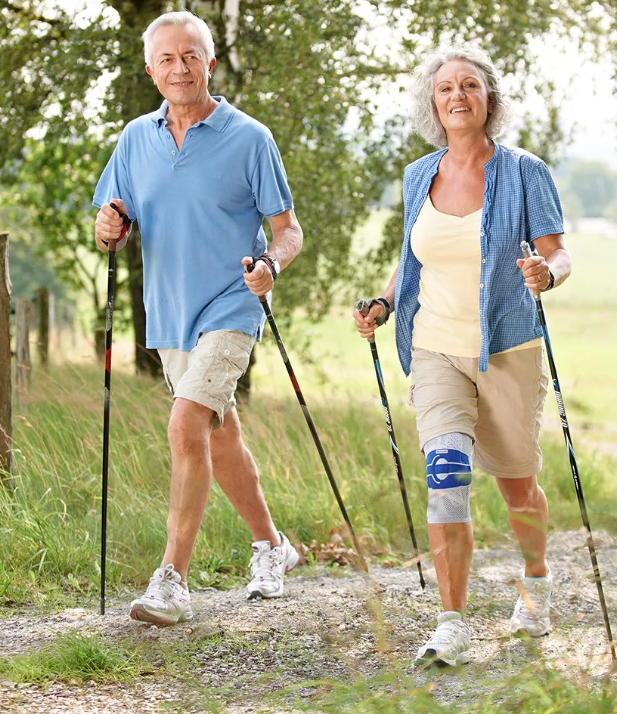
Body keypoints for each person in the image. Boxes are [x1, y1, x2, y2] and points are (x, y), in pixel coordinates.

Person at [353, 44, 570, 666]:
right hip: (434, 346)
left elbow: (558, 252)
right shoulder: (418, 176)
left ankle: (535, 581)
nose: (458, 96)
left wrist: (547, 274)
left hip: (506, 346)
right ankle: (452, 621)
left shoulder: (524, 171)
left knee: (517, 485)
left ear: (488, 98)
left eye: (470, 85)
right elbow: (412, 258)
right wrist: (384, 302)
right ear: (433, 103)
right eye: (446, 87)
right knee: (445, 475)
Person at [93, 10, 303, 625]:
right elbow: (112, 225)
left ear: (210, 63)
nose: (180, 68)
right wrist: (109, 227)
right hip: (170, 312)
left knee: (187, 424)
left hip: (233, 302)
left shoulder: (250, 138)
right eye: (167, 58)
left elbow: (288, 230)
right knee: (218, 433)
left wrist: (271, 264)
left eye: (191, 56)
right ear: (151, 70)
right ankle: (272, 546)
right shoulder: (136, 139)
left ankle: (171, 580)